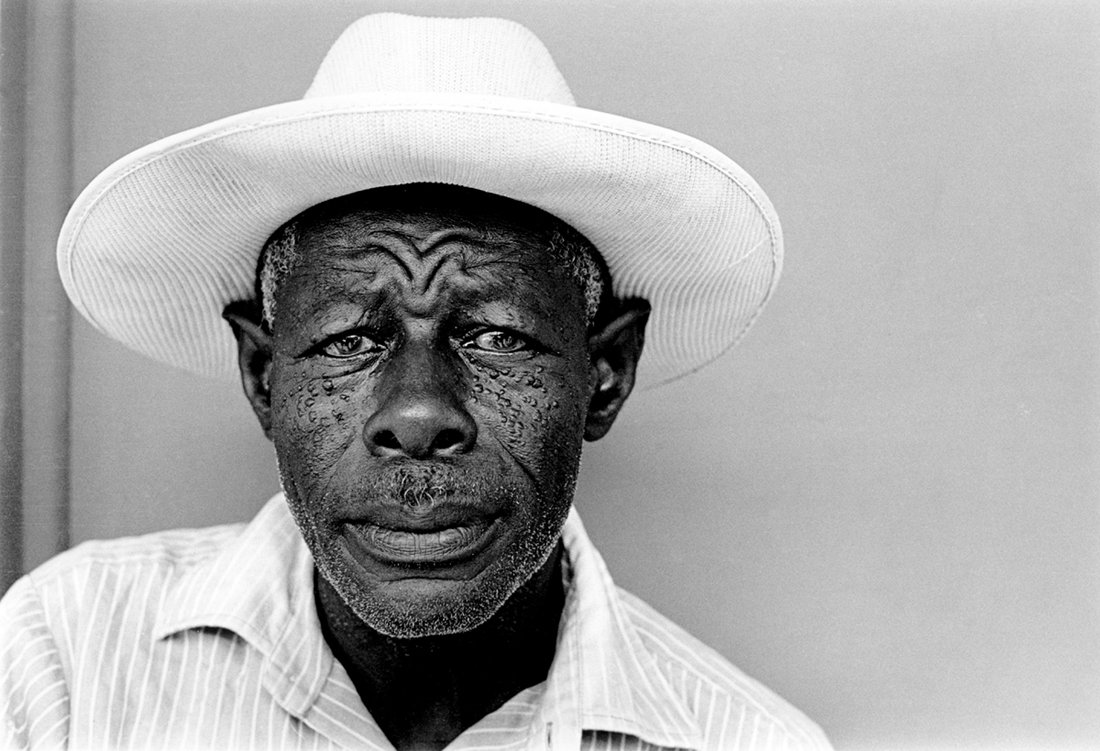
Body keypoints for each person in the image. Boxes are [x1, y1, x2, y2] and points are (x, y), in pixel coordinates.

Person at [1, 13, 832, 751]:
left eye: (497, 336)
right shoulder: (66, 658)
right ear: (261, 375)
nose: (419, 411)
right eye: (348, 340)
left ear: (606, 373)